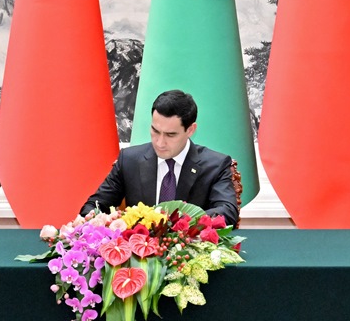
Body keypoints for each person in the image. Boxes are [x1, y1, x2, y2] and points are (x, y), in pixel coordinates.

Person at [80, 90, 239, 225]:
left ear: (190, 130)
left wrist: (179, 223)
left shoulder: (216, 165)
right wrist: (98, 219)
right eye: (155, 131)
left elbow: (227, 212)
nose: (160, 142)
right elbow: (94, 206)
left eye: (171, 135)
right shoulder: (129, 160)